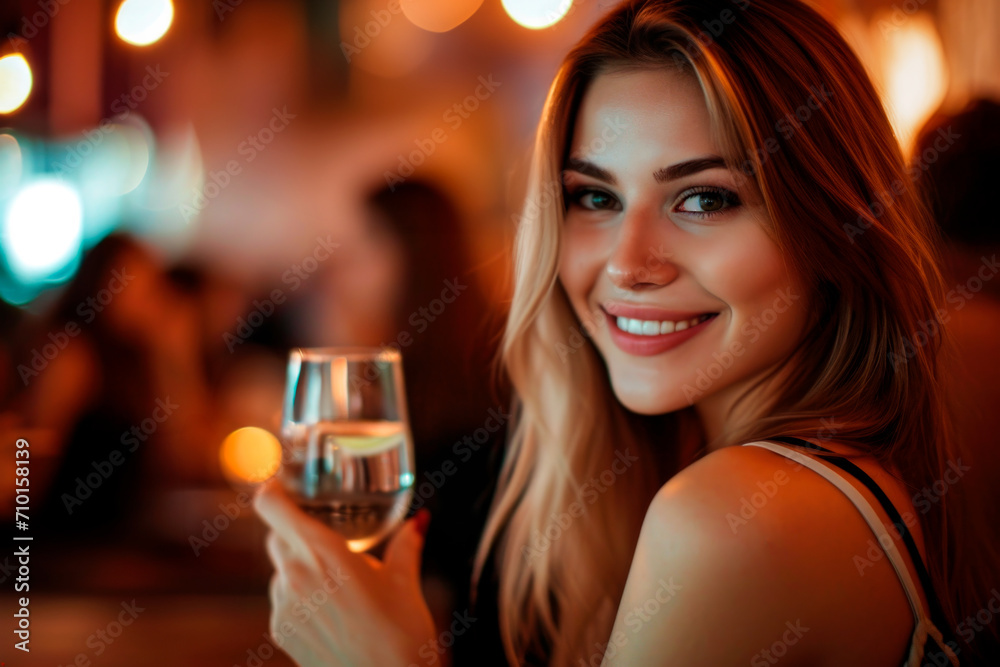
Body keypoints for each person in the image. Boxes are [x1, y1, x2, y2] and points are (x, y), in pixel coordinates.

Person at [254, 1, 1000, 665]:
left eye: (705, 198)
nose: (629, 263)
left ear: (836, 227)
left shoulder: (738, 516)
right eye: (594, 195)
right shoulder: (821, 474)